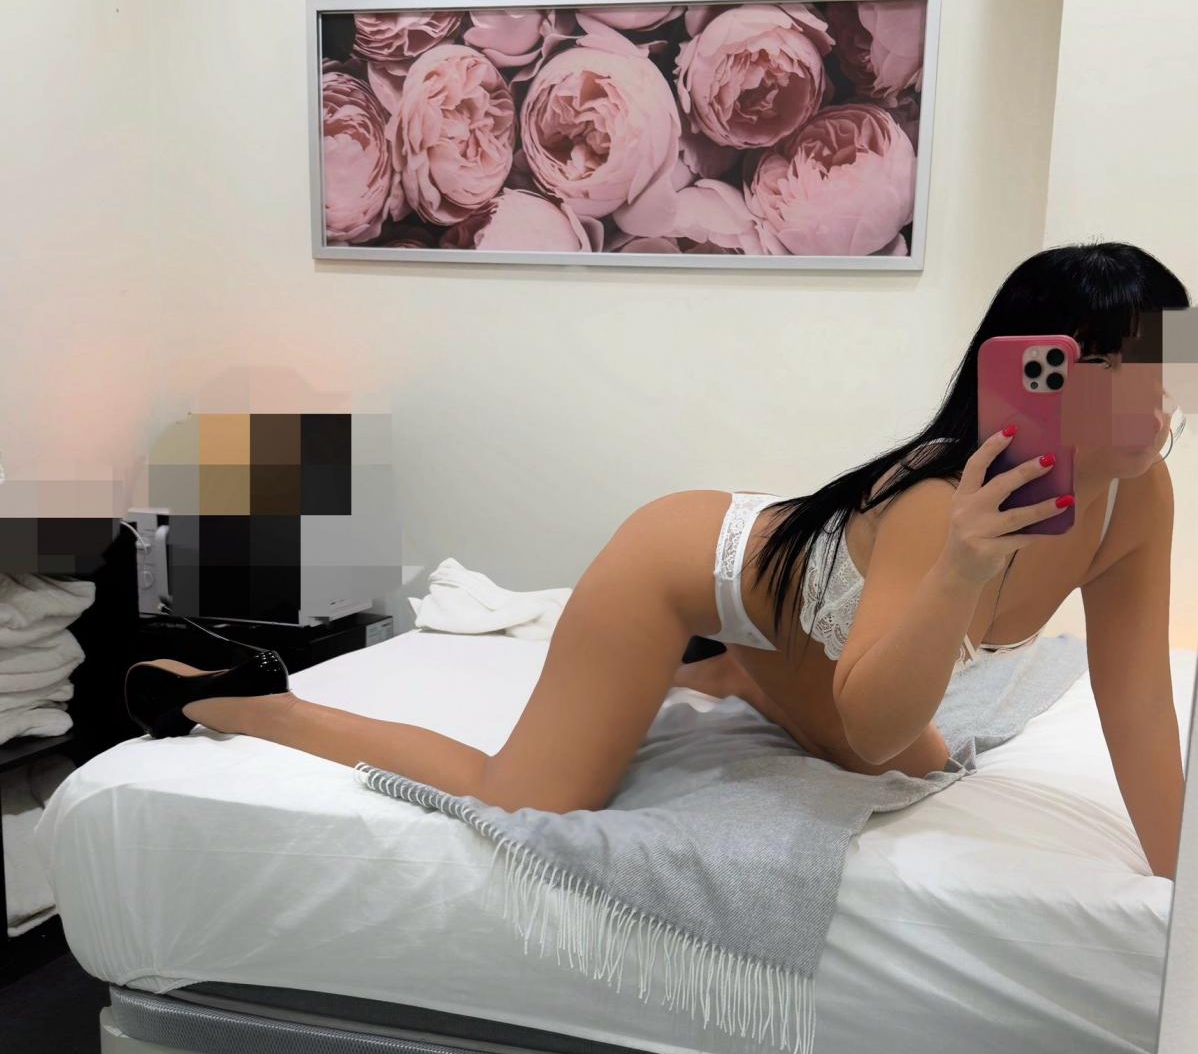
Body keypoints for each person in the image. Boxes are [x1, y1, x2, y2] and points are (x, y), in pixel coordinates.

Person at [124, 241, 1189, 876]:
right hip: (687, 561)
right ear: (1037, 374)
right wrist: (958, 571)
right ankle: (254, 701)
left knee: (918, 765)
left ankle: (738, 667)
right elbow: (871, 723)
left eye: (1167, 361)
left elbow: (1138, 701)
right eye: (1116, 367)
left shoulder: (1138, 498)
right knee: (529, 799)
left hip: (794, 609)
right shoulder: (940, 504)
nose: (1152, 398)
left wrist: (1173, 880)